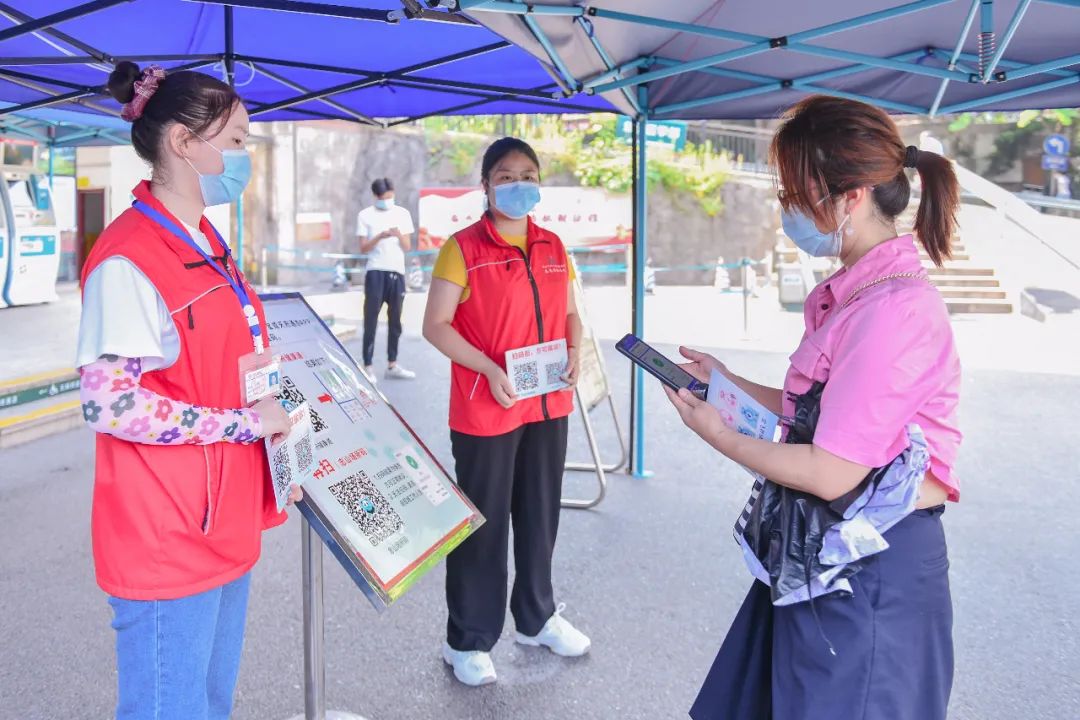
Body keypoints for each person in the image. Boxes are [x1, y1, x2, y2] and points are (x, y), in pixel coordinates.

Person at [667, 96, 962, 720]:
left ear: (849, 197)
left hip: (869, 570)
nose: (785, 209)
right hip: (823, 551)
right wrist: (728, 383)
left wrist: (716, 432)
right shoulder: (857, 293)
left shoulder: (893, 310)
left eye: (794, 194)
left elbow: (832, 469)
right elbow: (822, 410)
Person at [75, 61, 300, 720]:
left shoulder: (205, 241)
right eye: (233, 142)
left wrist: (284, 443)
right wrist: (241, 425)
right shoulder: (128, 258)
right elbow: (110, 403)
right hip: (165, 534)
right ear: (181, 142)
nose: (243, 158)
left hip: (224, 518)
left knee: (207, 704)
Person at [422, 137, 590, 687]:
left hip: (547, 402)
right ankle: (466, 639)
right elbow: (436, 326)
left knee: (541, 516)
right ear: (487, 185)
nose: (519, 184)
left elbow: (570, 313)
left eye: (528, 174)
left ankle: (537, 617)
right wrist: (489, 369)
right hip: (486, 406)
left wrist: (575, 349)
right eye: (507, 175)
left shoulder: (552, 244)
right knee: (483, 525)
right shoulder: (463, 247)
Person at [357, 177, 417, 382]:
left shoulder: (402, 214)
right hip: (375, 271)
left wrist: (398, 234)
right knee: (371, 319)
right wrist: (379, 237)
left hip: (397, 272)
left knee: (395, 320)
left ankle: (392, 363)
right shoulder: (365, 215)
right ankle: (368, 365)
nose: (386, 201)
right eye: (383, 198)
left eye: (390, 197)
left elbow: (407, 246)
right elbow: (363, 247)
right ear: (375, 196)